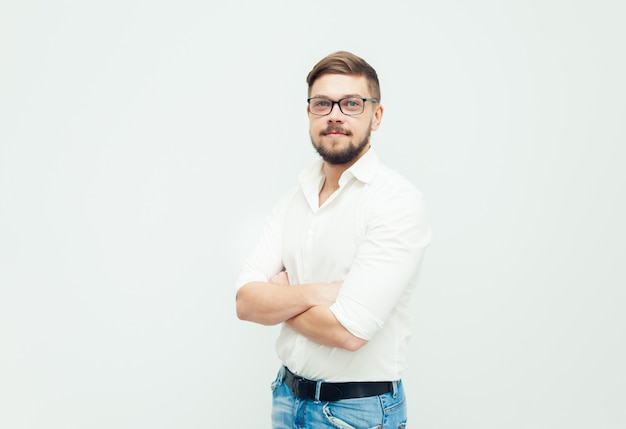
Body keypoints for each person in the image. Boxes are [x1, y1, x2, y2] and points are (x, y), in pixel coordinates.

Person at [235, 50, 431, 429]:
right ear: (309, 113)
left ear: (376, 115)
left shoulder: (396, 201)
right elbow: (245, 302)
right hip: (286, 397)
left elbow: (349, 331)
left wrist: (281, 297)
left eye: (352, 104)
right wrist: (323, 292)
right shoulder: (293, 199)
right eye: (323, 103)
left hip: (356, 412)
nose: (335, 115)